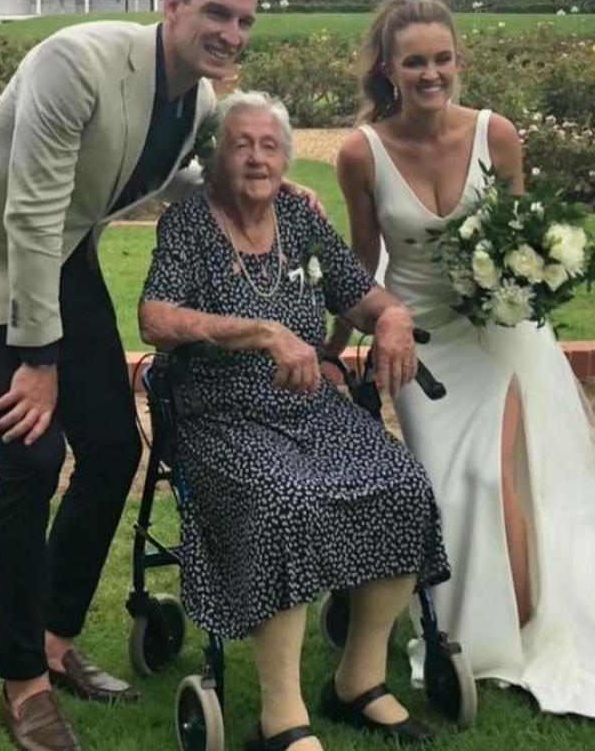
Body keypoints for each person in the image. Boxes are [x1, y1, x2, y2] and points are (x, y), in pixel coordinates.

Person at [0, 0, 323, 751]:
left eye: (244, 19)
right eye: (215, 11)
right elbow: (31, 212)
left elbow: (148, 173)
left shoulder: (190, 102)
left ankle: (53, 638)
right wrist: (39, 364)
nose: (229, 32)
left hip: (59, 258)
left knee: (114, 450)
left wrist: (244, 181)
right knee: (31, 460)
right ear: (172, 3)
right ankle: (21, 682)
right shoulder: (75, 62)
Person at [138, 90, 451, 751]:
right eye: (241, 143)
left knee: (401, 484)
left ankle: (357, 682)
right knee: (282, 500)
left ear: (286, 155)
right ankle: (280, 715)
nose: (256, 156)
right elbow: (155, 318)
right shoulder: (188, 224)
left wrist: (392, 317)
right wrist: (254, 331)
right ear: (218, 156)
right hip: (219, 414)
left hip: (310, 405)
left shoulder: (300, 219)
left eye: (269, 144)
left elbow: (359, 292)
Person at [328, 0, 595, 717]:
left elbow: (522, 233)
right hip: (416, 348)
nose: (431, 73)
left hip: (498, 337)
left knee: (491, 477)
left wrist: (528, 273)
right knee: (443, 492)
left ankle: (514, 628)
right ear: (388, 68)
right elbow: (360, 258)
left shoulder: (496, 134)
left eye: (442, 58)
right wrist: (331, 347)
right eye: (415, 61)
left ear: (458, 60)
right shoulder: (361, 152)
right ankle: (459, 637)